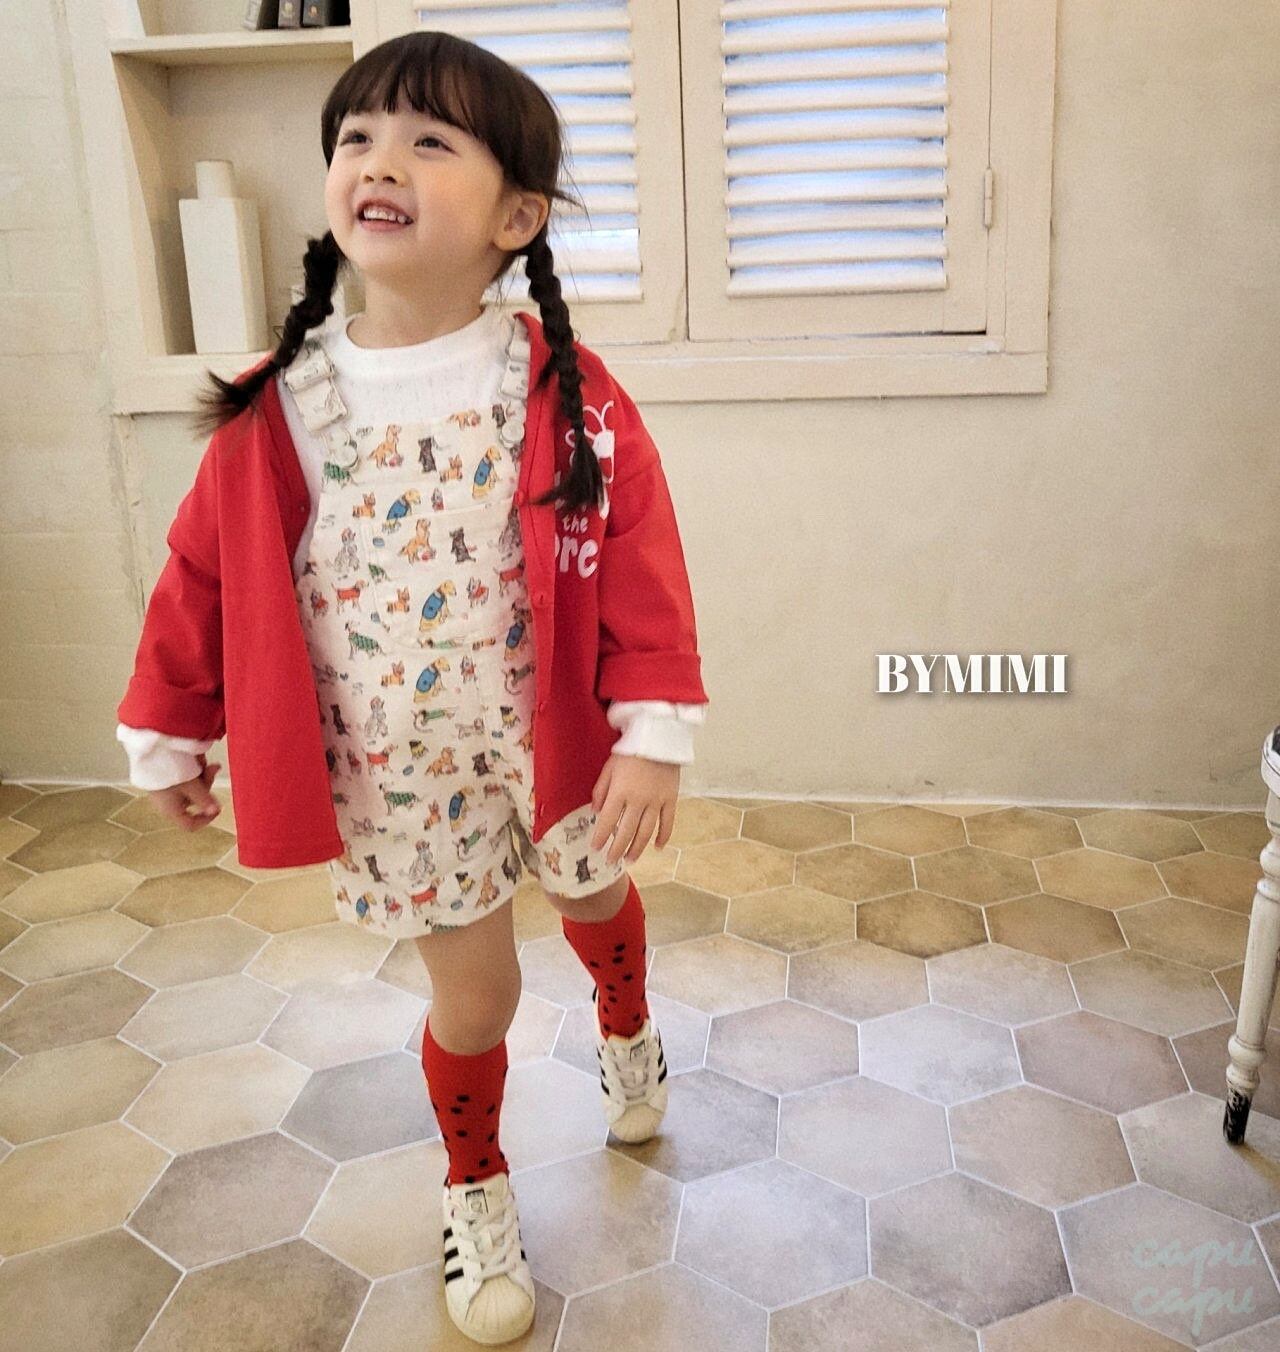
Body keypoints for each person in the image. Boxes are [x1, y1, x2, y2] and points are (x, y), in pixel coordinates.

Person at [114, 31, 709, 1347]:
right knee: (477, 997)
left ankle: (626, 1024)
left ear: (515, 217)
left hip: (556, 742)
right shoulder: (279, 407)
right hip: (399, 773)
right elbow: (200, 574)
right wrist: (168, 725)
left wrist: (653, 728)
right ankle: (476, 1184)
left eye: (428, 141)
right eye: (357, 138)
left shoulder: (561, 390)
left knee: (593, 893)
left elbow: (639, 549)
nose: (380, 162)